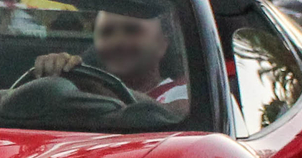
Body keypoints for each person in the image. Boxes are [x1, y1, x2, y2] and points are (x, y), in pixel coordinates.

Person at [30, 6, 187, 110]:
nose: (117, 40)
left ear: (162, 44)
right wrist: (53, 73)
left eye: (131, 30)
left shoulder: (183, 92)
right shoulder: (76, 92)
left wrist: (95, 86)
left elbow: (170, 115)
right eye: (107, 31)